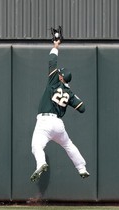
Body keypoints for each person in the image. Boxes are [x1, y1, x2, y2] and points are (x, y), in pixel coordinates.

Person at [30, 40, 90, 182]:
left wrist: (56, 46)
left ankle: (41, 163)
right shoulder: (69, 93)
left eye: (60, 73)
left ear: (61, 77)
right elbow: (82, 108)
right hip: (58, 124)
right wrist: (72, 96)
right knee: (68, 145)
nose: (58, 73)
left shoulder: (53, 82)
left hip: (44, 122)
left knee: (36, 146)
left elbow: (52, 61)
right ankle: (82, 168)